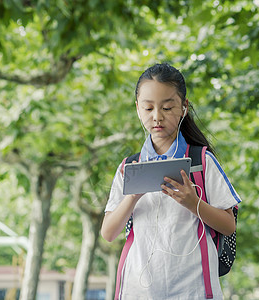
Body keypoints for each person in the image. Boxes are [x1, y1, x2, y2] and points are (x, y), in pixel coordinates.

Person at [101, 63, 241, 299]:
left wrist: (192, 202)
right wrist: (133, 195)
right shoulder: (128, 168)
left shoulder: (201, 161)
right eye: (148, 108)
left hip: (193, 290)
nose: (157, 117)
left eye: (167, 107)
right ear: (137, 109)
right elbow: (108, 233)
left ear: (184, 107)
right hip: (138, 291)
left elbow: (228, 225)